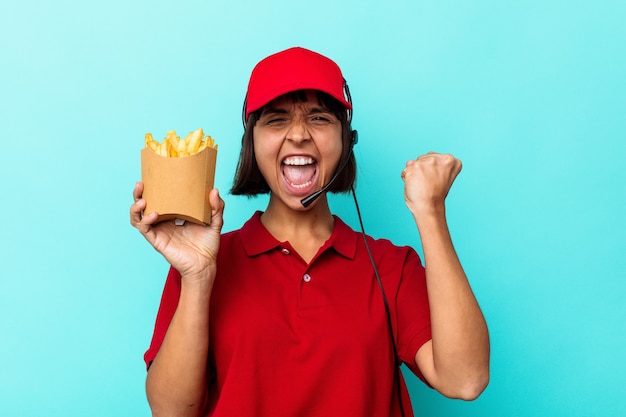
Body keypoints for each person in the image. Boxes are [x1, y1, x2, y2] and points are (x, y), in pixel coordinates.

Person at [130, 46, 489, 417]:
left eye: (318, 118)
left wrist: (430, 212)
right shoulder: (203, 263)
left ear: (346, 141)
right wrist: (198, 276)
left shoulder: (391, 267)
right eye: (277, 119)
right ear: (251, 143)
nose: (299, 135)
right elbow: (171, 412)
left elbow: (465, 379)